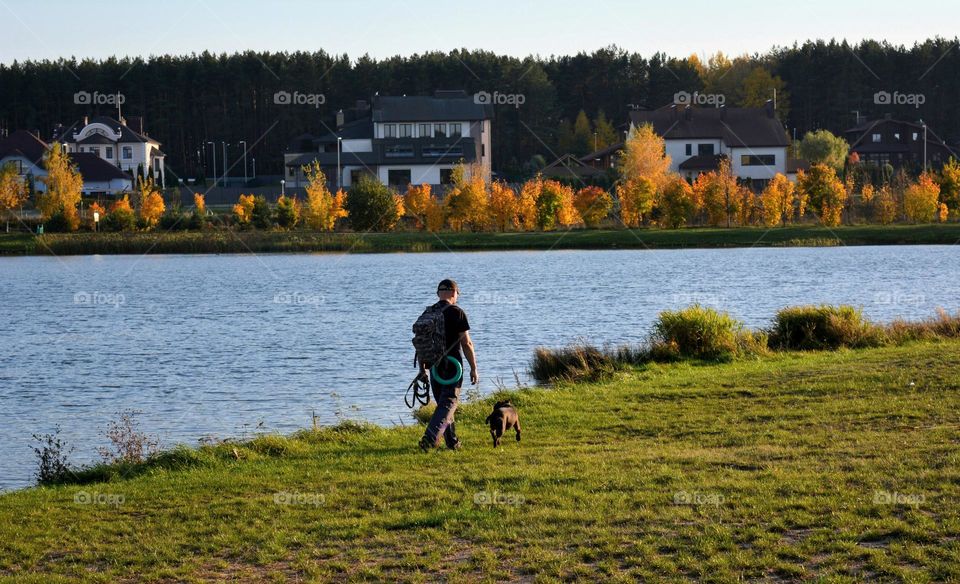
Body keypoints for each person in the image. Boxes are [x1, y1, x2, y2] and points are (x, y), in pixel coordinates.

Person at [419, 279, 479, 451]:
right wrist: (474, 368)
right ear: (454, 293)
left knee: (445, 407)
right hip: (453, 367)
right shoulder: (457, 312)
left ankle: (452, 442)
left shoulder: (428, 313)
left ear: (439, 294)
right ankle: (430, 439)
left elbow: (421, 344)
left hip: (433, 366)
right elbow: (466, 343)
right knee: (448, 404)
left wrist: (423, 369)